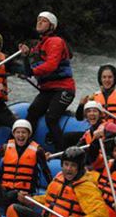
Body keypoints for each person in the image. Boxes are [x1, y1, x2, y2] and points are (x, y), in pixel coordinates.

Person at [6, 146, 108, 217]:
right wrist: (30, 200)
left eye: (73, 165)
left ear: (80, 167)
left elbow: (102, 214)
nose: (68, 169)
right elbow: (49, 199)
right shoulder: (60, 177)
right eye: (66, 164)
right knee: (13, 209)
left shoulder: (86, 187)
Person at [19, 11, 76, 151]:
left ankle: (62, 151)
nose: (39, 22)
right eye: (38, 20)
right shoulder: (40, 44)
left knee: (51, 117)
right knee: (32, 112)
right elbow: (32, 65)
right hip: (48, 89)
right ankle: (26, 147)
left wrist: (31, 72)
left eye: (43, 21)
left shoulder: (55, 42)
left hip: (64, 88)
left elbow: (51, 65)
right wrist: (25, 56)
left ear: (51, 26)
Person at [0, 119, 53, 208]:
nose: (20, 135)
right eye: (18, 132)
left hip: (25, 193)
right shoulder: (5, 147)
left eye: (24, 132)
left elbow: (46, 172)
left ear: (28, 134)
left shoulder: (38, 150)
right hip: (6, 190)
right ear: (14, 134)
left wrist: (53, 190)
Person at [76, 64, 116, 132]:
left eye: (110, 77)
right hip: (99, 132)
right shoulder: (93, 97)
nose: (107, 80)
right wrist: (81, 105)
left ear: (114, 78)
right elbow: (79, 118)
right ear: (100, 79)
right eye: (104, 77)